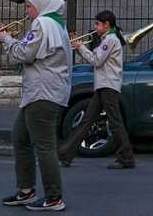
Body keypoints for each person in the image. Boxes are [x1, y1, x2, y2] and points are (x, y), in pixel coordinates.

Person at [0, 0, 72, 212]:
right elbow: (33, 50)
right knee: (20, 138)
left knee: (44, 146)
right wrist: (12, 41)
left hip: (42, 93)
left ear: (41, 5)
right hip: (41, 92)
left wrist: (6, 39)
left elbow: (25, 54)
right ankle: (26, 190)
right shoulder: (56, 24)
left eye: (29, 6)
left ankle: (54, 197)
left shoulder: (42, 24)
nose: (27, 11)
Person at [57, 10, 135, 170]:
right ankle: (66, 153)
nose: (95, 27)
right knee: (87, 120)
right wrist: (82, 46)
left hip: (108, 86)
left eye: (97, 24)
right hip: (103, 86)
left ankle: (126, 157)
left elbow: (96, 60)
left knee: (114, 122)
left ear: (106, 25)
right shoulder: (107, 38)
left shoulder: (110, 40)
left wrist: (80, 47)